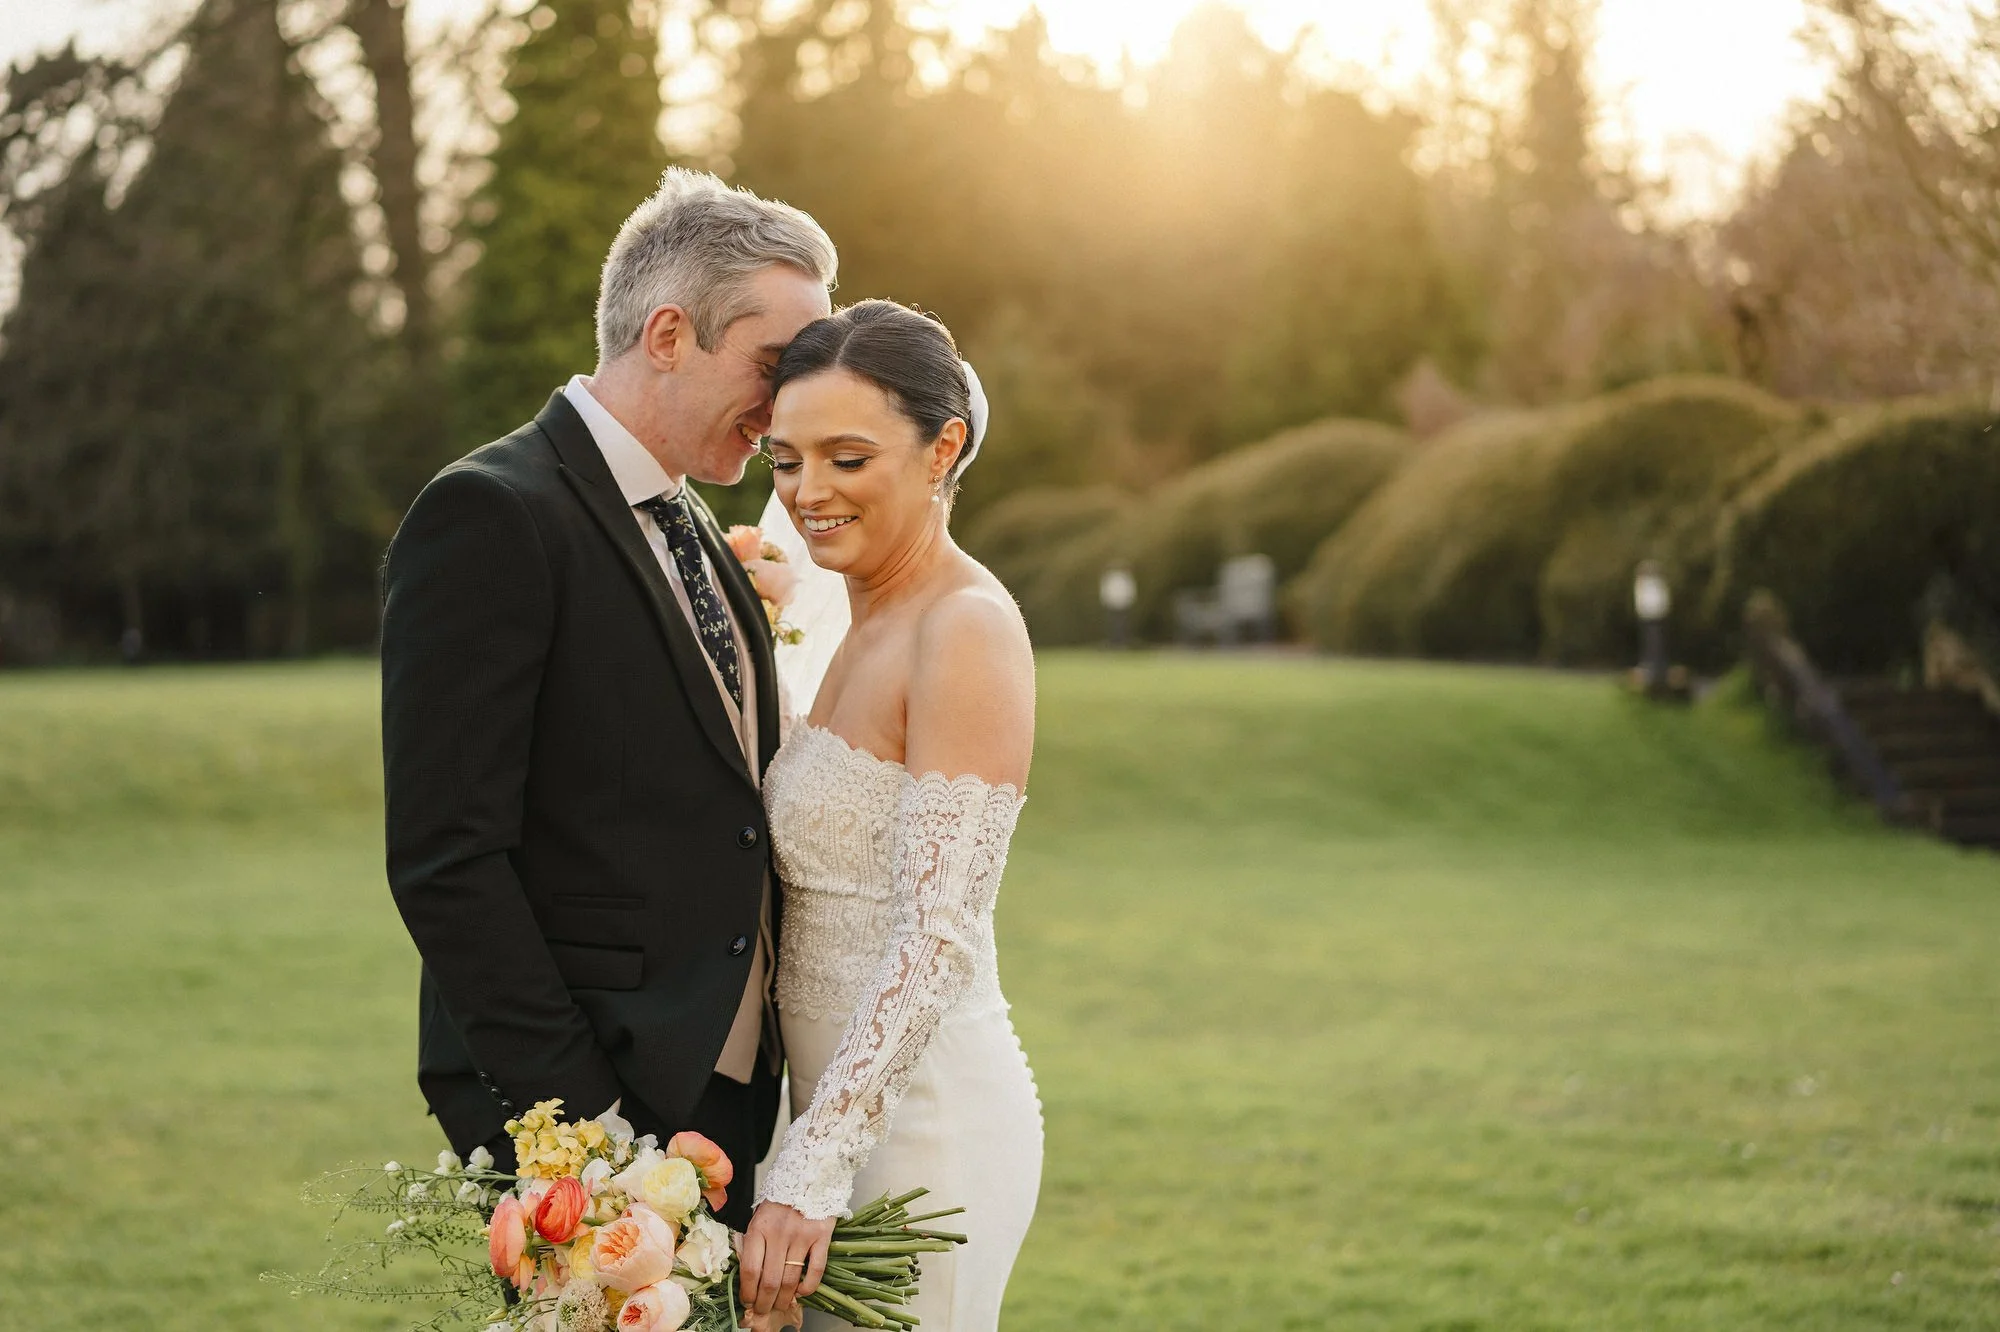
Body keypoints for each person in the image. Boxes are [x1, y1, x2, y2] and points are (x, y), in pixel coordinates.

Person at [378, 168, 836, 1230]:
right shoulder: (489, 515)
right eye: (772, 367)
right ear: (668, 335)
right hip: (598, 1106)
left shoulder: (699, 540)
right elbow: (447, 858)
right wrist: (591, 1133)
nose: (787, 412)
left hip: (728, 1099)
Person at [737, 301, 1044, 1332]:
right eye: (784, 462)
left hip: (921, 1130)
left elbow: (939, 932)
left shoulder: (964, 629)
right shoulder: (852, 622)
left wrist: (812, 1169)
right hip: (817, 1114)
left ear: (941, 447)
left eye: (846, 458)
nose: (807, 492)